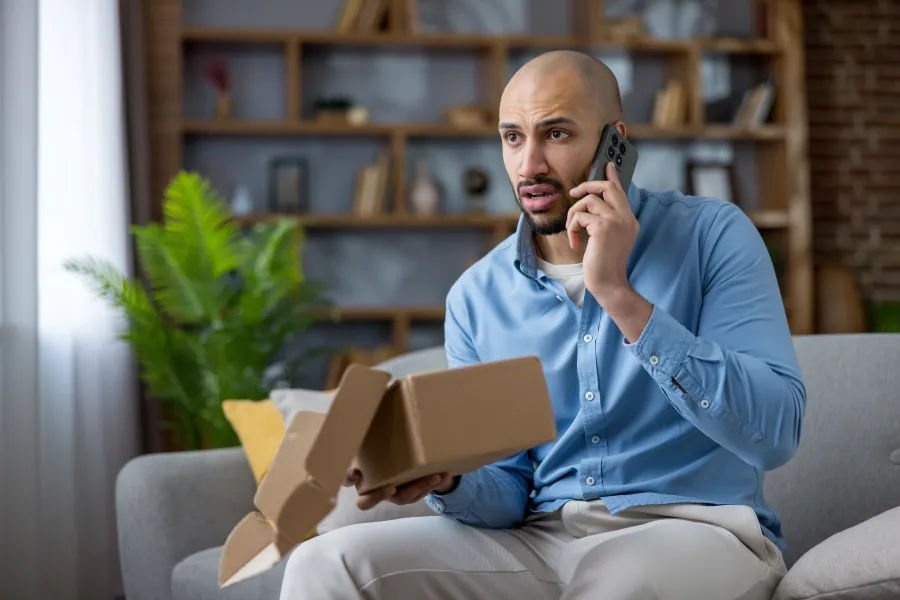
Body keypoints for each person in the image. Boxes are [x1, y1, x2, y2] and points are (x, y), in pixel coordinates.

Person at [280, 50, 806, 600]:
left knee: (618, 588)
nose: (528, 165)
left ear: (615, 143)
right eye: (512, 137)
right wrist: (450, 478)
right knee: (327, 563)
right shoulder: (476, 297)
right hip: (539, 541)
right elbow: (508, 491)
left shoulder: (713, 237)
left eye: (555, 134)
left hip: (692, 531)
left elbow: (774, 434)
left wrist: (618, 294)